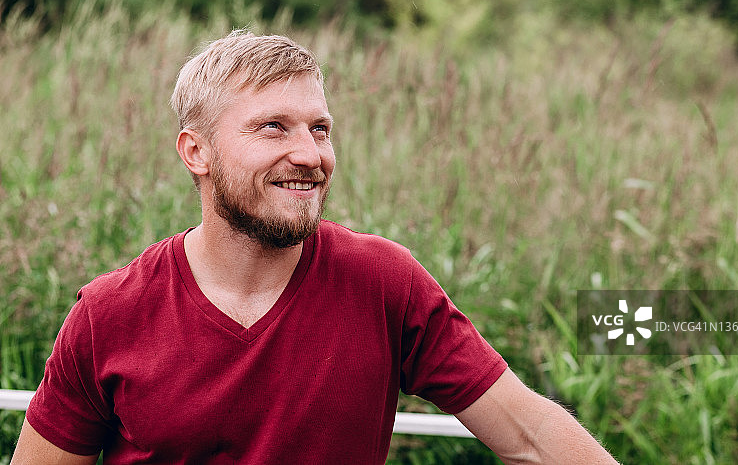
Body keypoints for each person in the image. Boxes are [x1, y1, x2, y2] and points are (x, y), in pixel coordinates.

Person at [11, 31, 620, 464]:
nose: (310, 155)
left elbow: (532, 437)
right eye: (273, 127)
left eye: (319, 128)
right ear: (195, 151)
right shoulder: (109, 315)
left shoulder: (385, 283)